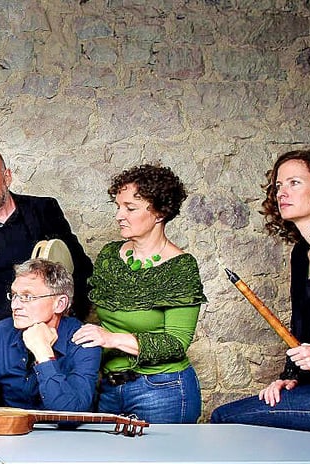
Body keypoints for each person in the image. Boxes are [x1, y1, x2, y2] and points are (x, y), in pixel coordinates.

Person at [0, 148, 92, 383]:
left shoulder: (44, 211)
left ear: (7, 176)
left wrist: (67, 324)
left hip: (49, 344)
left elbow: (80, 269)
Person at [72, 164, 207, 424]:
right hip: (110, 388)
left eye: (130, 208)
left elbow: (175, 344)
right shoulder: (110, 256)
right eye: (118, 207)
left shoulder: (180, 267)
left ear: (159, 212)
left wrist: (110, 338)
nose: (119, 216)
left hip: (163, 390)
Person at [210, 147, 310, 433]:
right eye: (278, 185)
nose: (281, 193)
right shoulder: (302, 253)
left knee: (224, 419)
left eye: (294, 183)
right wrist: (291, 377)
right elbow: (304, 330)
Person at [0, 259, 100, 412]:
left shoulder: (84, 339)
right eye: (14, 295)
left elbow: (72, 415)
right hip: (13, 426)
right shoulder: (0, 333)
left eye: (27, 297)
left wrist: (43, 354)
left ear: (60, 304)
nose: (14, 305)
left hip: (60, 427)